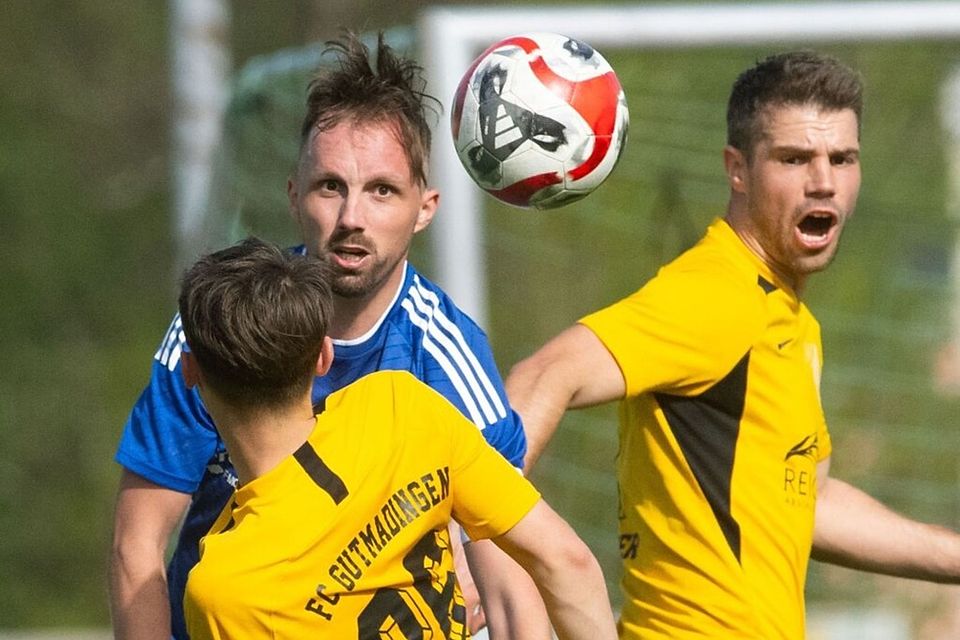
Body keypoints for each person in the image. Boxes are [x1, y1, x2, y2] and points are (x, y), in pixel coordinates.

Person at [109, 32, 550, 640]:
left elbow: (508, 581)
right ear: (294, 197)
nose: (352, 219)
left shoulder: (446, 355)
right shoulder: (218, 325)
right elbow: (137, 550)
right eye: (330, 187)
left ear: (426, 207)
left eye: (382, 191)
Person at [505, 50, 960, 639]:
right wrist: (480, 547)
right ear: (737, 169)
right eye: (794, 158)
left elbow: (807, 503)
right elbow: (544, 374)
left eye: (841, 158)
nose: (823, 181)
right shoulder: (716, 295)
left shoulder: (785, 315)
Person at [173, 237, 617, 639]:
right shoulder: (400, 404)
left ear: (189, 371)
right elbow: (566, 562)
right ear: (324, 355)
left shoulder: (224, 588)